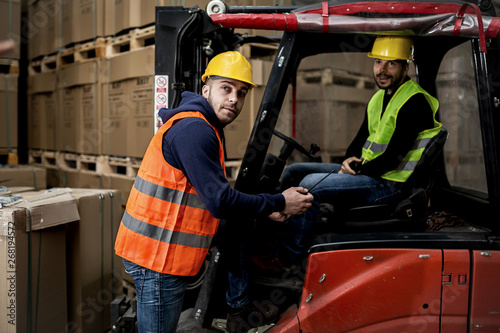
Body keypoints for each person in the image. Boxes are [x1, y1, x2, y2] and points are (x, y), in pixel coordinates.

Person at [114, 51, 314, 333]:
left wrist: (265, 208)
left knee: (241, 223)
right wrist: (280, 200)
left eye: (242, 93)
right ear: (205, 89)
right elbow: (219, 201)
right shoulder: (195, 130)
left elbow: (214, 198)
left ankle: (238, 308)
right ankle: (237, 307)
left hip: (166, 246)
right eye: (226, 88)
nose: (234, 99)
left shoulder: (204, 126)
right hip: (157, 257)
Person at [256, 35, 442, 271]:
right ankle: (280, 237)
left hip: (391, 184)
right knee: (294, 171)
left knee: (309, 186)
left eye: (391, 63)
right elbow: (359, 141)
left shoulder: (415, 102)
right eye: (377, 62)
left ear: (406, 66)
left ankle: (288, 258)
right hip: (370, 172)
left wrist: (357, 169)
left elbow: (395, 156)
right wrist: (348, 161)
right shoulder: (378, 98)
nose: (381, 70)